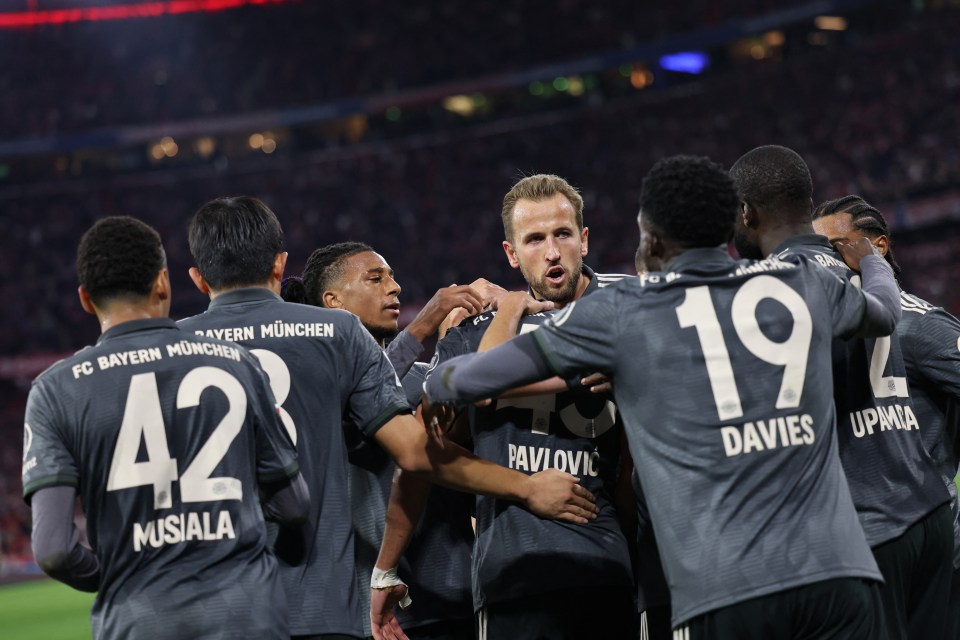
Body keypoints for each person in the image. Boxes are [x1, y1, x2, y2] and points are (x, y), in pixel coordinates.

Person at [423, 154, 903, 639]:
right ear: (734, 224)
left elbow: (464, 380)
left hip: (721, 583)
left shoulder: (627, 311)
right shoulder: (803, 281)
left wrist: (449, 370)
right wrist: (870, 260)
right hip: (837, 571)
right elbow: (884, 311)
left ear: (649, 239)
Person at [177, 196, 598, 640]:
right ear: (280, 265)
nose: (394, 289)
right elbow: (416, 451)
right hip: (328, 602)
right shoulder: (335, 334)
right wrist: (527, 484)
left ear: (197, 278)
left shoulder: (173, 350)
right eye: (376, 278)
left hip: (222, 604)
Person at [377, 173, 642, 640]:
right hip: (513, 574)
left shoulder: (634, 309)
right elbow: (426, 450)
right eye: (534, 239)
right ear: (511, 254)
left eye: (562, 234)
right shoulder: (473, 332)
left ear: (584, 239)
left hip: (614, 566)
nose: (552, 252)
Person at [22, 216, 309, 640]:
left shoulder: (55, 389)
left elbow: (54, 550)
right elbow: (294, 506)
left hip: (140, 620)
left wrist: (123, 572)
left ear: (86, 299)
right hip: (247, 613)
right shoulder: (236, 362)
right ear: (162, 282)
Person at [730, 145, 953, 640]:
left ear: (746, 212)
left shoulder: (771, 286)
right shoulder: (866, 282)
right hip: (926, 513)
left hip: (862, 527)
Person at [284, 241, 483, 640]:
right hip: (378, 609)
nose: (394, 288)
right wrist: (424, 324)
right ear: (333, 301)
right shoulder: (317, 388)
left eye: (392, 277)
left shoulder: (425, 372)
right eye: (375, 279)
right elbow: (357, 406)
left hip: (455, 594)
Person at [812, 194, 960, 640]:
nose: (824, 263)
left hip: (926, 554)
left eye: (836, 248)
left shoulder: (918, 325)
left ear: (877, 247)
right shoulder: (820, 327)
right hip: (857, 548)